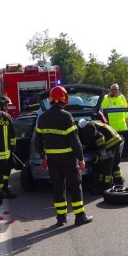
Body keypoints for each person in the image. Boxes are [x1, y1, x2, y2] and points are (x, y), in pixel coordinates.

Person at [34, 86, 93, 227]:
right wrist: (81, 158)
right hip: (68, 158)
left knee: (58, 188)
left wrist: (43, 157)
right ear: (64, 99)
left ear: (51, 99)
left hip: (52, 160)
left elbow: (37, 140)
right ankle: (80, 217)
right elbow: (75, 140)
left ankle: (61, 218)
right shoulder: (66, 116)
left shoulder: (42, 117)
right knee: (75, 185)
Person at [77, 118, 124, 192]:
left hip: (109, 144)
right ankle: (119, 182)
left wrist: (102, 153)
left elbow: (100, 138)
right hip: (116, 140)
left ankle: (105, 188)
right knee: (114, 165)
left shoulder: (87, 128)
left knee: (105, 167)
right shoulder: (94, 123)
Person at [0, 95, 17, 199]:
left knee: (5, 168)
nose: (7, 107)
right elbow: (12, 134)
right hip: (4, 150)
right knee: (6, 168)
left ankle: (3, 188)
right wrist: (12, 148)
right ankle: (2, 189)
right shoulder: (6, 116)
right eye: (6, 105)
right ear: (1, 105)